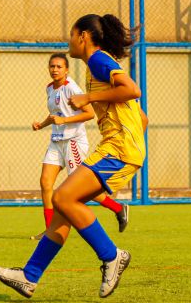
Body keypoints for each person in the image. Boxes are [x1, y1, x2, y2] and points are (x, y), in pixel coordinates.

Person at [0, 14, 148, 299]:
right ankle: (29, 276)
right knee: (63, 212)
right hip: (120, 147)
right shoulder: (96, 66)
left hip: (118, 149)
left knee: (62, 198)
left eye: (71, 33)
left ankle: (112, 256)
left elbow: (132, 90)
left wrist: (88, 100)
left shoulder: (99, 60)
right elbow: (142, 116)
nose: (68, 39)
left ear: (83, 36)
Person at [29, 53, 129, 241]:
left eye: (59, 66)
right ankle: (49, 230)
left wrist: (64, 120)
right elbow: (55, 115)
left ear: (66, 70)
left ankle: (118, 208)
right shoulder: (50, 88)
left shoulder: (71, 88)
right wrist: (41, 125)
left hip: (73, 141)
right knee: (45, 182)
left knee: (79, 190)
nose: (55, 70)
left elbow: (89, 113)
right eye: (52, 66)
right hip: (57, 140)